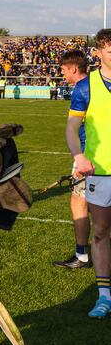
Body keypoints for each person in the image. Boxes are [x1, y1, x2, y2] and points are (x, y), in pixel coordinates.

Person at [67, 29, 111, 318]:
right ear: (99, 52)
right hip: (100, 171)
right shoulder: (86, 88)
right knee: (102, 232)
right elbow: (71, 128)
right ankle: (104, 296)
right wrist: (78, 155)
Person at [53, 50, 91, 269]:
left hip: (87, 153)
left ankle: (81, 256)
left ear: (74, 69)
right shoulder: (98, 84)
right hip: (96, 152)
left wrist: (79, 159)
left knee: (80, 202)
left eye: (64, 69)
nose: (62, 73)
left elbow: (74, 127)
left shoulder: (82, 88)